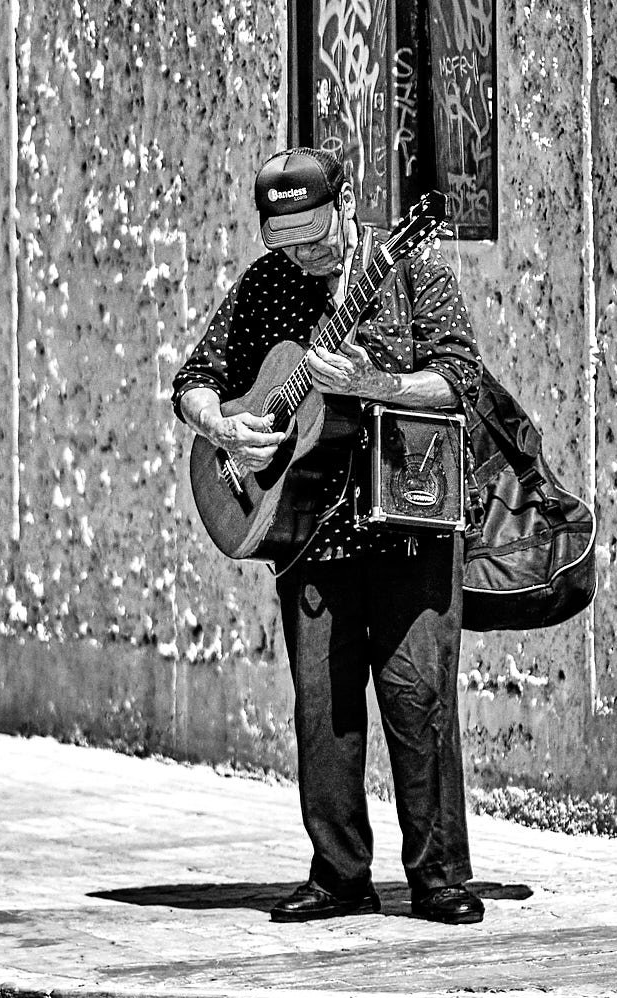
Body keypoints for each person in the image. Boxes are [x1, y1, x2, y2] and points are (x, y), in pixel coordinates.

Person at [172, 146, 485, 925]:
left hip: (408, 519)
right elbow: (193, 381)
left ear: (345, 204)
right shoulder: (266, 282)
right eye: (286, 238)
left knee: (418, 699)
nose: (303, 253)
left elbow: (461, 380)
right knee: (324, 709)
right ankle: (338, 874)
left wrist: (372, 385)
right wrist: (226, 427)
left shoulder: (408, 267)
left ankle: (439, 878)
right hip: (311, 534)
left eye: (313, 233)